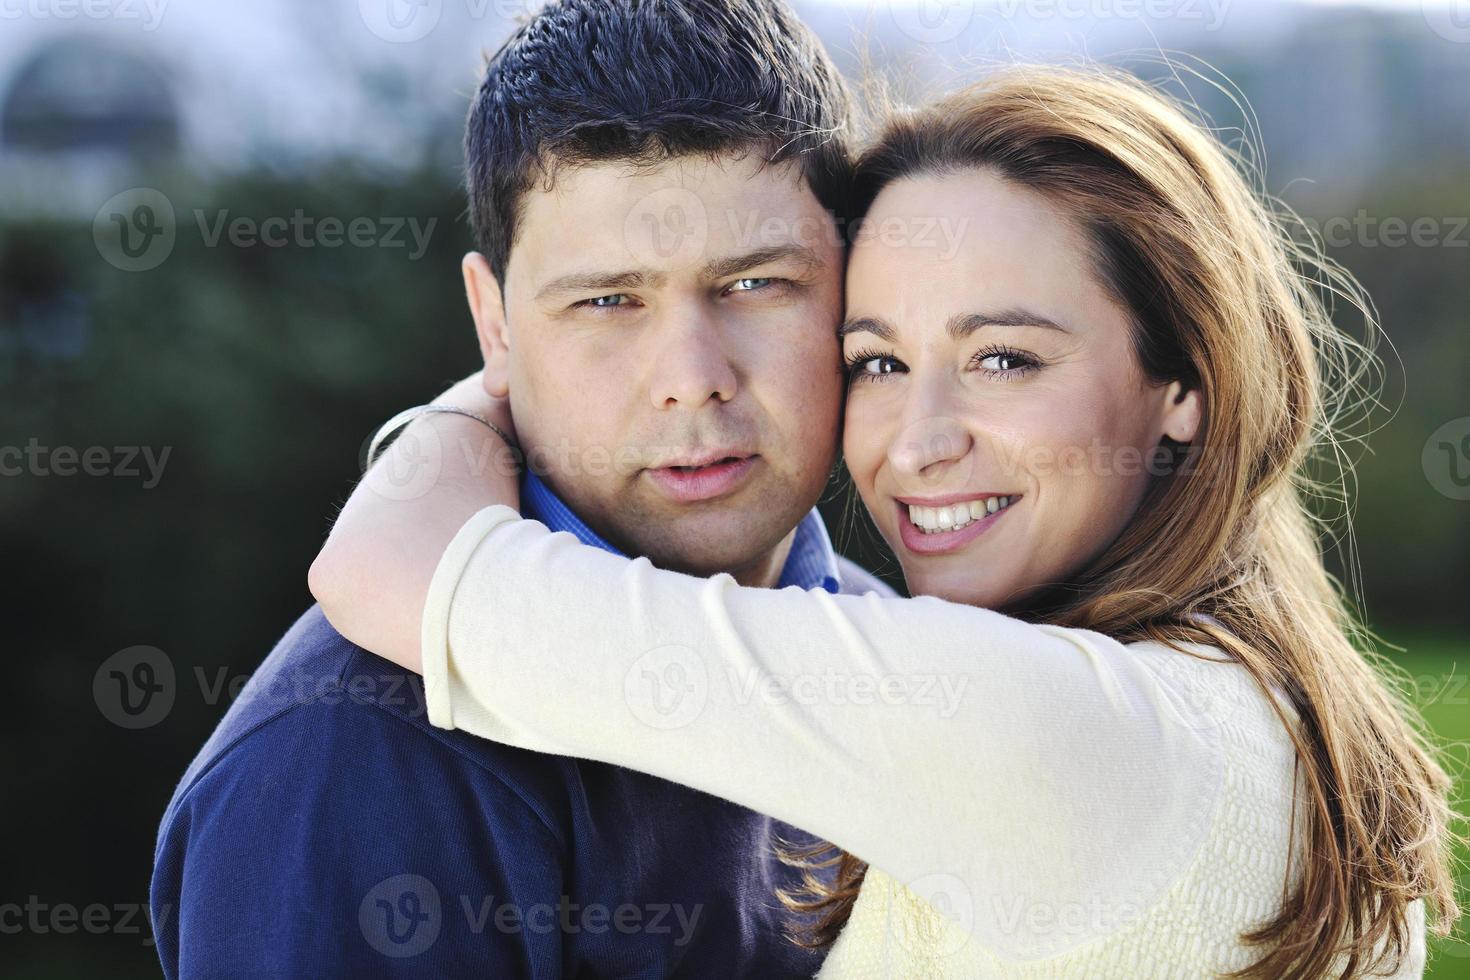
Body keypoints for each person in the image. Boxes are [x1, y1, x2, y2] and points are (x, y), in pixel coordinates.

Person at [310, 67, 1461, 977]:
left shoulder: (1056, 725)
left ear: (1183, 386)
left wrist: (490, 382)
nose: (914, 443)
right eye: (877, 361)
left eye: (1005, 357)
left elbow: (389, 564)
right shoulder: (1249, 706)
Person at [150, 0, 893, 974]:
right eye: (607, 301)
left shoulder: (887, 653)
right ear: (494, 326)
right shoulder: (353, 757)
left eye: (755, 284)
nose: (691, 372)